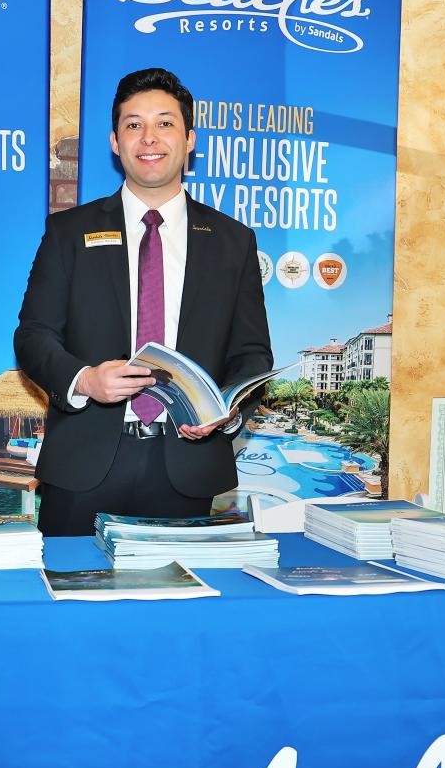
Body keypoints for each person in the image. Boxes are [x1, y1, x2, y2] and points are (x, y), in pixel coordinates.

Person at [15, 66, 272, 536]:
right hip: (82, 468)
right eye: (134, 124)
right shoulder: (68, 233)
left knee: (182, 589)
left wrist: (226, 410)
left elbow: (252, 353)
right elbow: (33, 336)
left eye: (165, 123)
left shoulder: (233, 241)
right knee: (71, 584)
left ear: (190, 139)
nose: (149, 138)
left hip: (189, 467)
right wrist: (84, 379)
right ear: (115, 142)